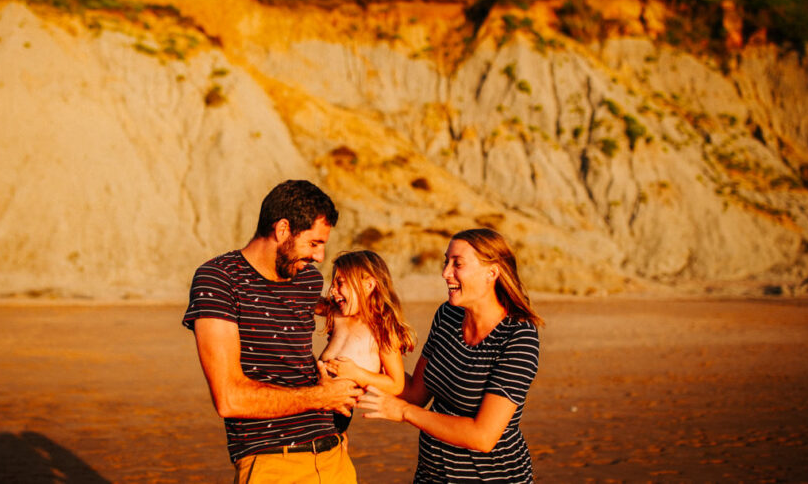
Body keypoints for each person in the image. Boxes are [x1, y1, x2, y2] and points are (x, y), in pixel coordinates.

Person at [182, 180, 363, 484]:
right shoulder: (218, 280)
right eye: (314, 243)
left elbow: (345, 316)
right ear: (282, 230)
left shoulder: (308, 280)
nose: (320, 257)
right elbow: (229, 398)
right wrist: (321, 397)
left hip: (335, 459)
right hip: (271, 463)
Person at [358, 228, 542, 483]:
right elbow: (415, 393)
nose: (445, 273)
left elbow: (483, 437)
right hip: (431, 476)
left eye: (458, 264)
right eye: (446, 262)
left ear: (492, 272)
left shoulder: (518, 336)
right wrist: (361, 367)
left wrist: (404, 412)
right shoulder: (448, 315)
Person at [317, 250, 417, 433]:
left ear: (369, 285)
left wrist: (357, 374)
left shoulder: (383, 329)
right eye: (333, 283)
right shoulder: (338, 313)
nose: (332, 290)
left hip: (336, 409)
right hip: (313, 394)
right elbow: (307, 302)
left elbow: (396, 384)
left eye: (340, 283)